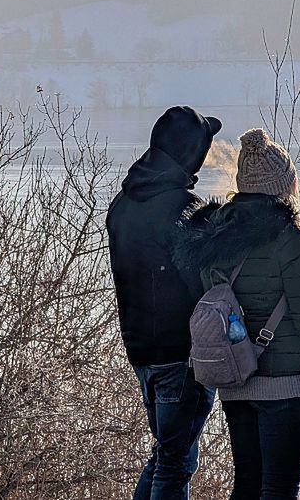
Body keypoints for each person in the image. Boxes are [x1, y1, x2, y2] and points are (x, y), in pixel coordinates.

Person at [175, 128, 300, 500]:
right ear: (283, 184)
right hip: (284, 387)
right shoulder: (287, 237)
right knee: (280, 491)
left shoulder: (214, 232)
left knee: (247, 488)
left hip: (235, 381)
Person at [107, 106, 223, 500]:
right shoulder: (183, 210)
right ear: (191, 154)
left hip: (140, 351)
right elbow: (205, 279)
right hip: (179, 355)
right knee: (175, 462)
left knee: (165, 457)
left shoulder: (123, 203)